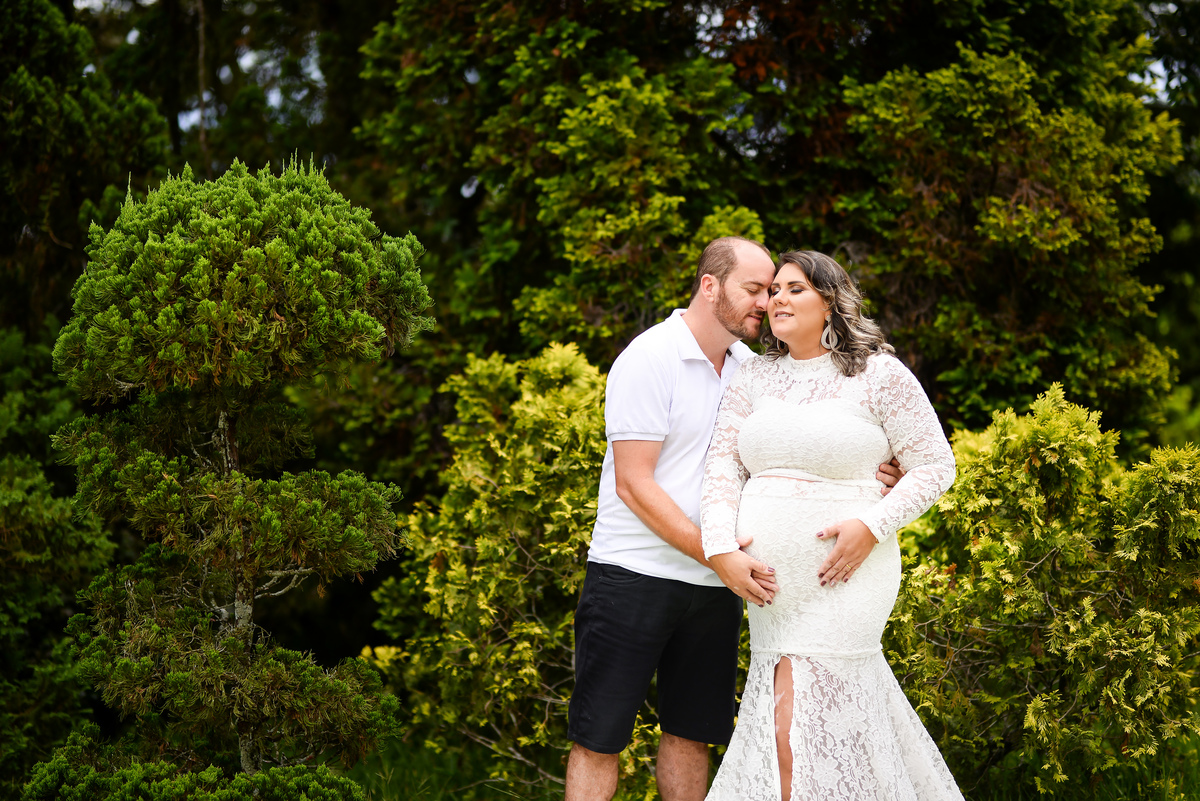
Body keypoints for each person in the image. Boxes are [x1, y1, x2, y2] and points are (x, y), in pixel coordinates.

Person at [564, 238, 903, 801]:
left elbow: (807, 446)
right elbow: (633, 483)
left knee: (692, 736)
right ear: (709, 286)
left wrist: (877, 473)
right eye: (755, 290)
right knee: (600, 739)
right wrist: (718, 552)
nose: (766, 303)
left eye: (773, 291)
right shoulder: (651, 358)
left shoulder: (755, 370)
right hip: (635, 575)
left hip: (720, 586)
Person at [700, 250, 963, 800]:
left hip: (844, 581)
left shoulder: (879, 374)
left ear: (830, 301)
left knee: (791, 730)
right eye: (773, 291)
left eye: (794, 289)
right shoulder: (755, 376)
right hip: (772, 589)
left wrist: (871, 524)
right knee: (817, 729)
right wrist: (721, 546)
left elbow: (936, 466)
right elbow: (723, 466)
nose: (777, 300)